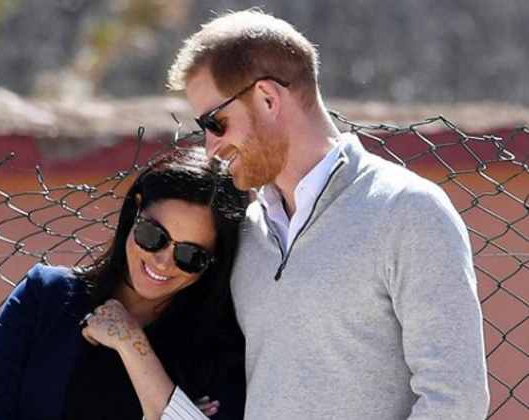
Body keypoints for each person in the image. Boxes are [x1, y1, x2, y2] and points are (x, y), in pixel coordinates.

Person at [167, 9, 490, 420]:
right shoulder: (246, 230)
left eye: (216, 123)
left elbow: (456, 401)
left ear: (268, 98)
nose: (210, 147)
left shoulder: (408, 211)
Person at [0, 147, 248, 420]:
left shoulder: (218, 352)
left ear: (214, 260)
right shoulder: (46, 297)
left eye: (190, 255)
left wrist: (131, 343)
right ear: (135, 210)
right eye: (153, 236)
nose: (163, 262)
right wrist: (171, 409)